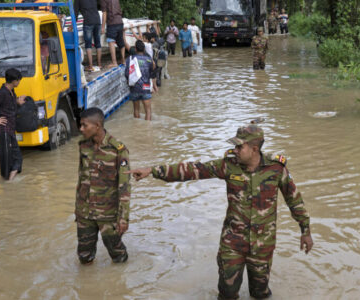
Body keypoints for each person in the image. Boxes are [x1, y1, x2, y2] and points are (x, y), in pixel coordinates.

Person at [127, 123, 314, 299]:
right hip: (232, 243)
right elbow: (193, 169)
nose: (235, 150)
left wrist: (305, 231)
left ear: (254, 149)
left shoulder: (276, 168)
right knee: (227, 294)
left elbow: (294, 199)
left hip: (262, 245)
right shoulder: (228, 165)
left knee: (260, 294)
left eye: (240, 147)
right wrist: (153, 171)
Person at [75, 107, 131, 264]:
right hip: (85, 212)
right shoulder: (83, 145)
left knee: (118, 256)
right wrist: (77, 209)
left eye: (85, 125)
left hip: (108, 214)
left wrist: (123, 218)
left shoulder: (118, 149)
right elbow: (81, 178)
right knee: (84, 257)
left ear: (97, 126)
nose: (81, 129)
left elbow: (125, 186)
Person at [125, 40, 156, 120]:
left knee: (136, 109)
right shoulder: (149, 59)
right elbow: (152, 73)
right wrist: (154, 86)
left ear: (135, 49)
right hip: (145, 87)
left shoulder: (130, 58)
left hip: (134, 87)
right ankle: (147, 130)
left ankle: (137, 128)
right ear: (144, 49)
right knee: (148, 110)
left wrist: (129, 82)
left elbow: (127, 73)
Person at [74, 0, 102, 72]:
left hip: (88, 21)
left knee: (88, 44)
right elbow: (100, 5)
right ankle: (99, 65)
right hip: (97, 20)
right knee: (98, 43)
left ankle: (90, 66)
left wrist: (72, 26)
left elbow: (75, 13)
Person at [101, 0, 126, 68]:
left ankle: (114, 62)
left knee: (110, 41)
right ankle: (123, 60)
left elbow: (104, 13)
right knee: (121, 42)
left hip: (112, 23)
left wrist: (103, 27)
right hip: (120, 22)